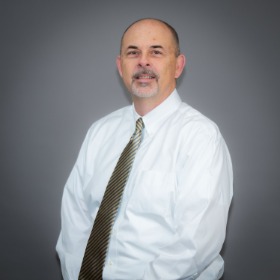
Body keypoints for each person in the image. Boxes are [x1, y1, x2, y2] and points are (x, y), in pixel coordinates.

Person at [56, 18, 233, 280]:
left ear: (178, 65)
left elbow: (195, 244)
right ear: (120, 66)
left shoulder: (201, 137)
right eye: (133, 52)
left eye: (156, 52)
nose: (143, 62)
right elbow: (75, 221)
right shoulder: (99, 132)